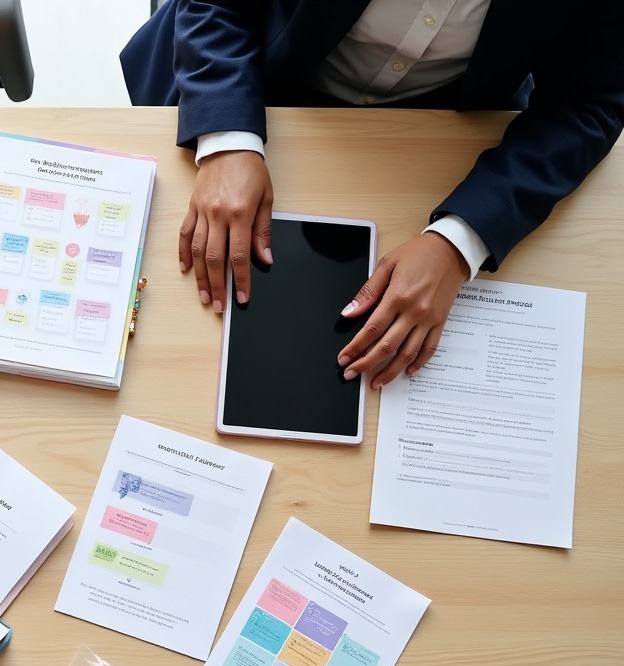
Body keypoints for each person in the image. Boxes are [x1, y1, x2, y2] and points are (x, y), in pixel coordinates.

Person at [121, 1, 624, 387]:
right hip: (256, 73)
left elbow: (593, 102)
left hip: (446, 122)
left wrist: (462, 240)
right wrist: (228, 140)